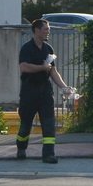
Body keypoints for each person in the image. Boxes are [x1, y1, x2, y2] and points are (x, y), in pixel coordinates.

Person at [16, 19, 72, 164]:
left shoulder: (48, 49)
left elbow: (53, 71)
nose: (48, 31)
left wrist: (64, 87)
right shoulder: (26, 48)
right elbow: (24, 67)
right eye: (45, 29)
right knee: (25, 125)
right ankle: (21, 148)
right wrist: (41, 68)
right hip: (29, 91)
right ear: (36, 30)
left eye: (48, 29)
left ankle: (48, 154)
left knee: (49, 124)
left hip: (45, 92)